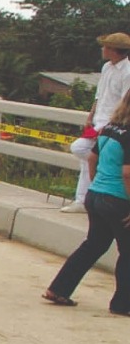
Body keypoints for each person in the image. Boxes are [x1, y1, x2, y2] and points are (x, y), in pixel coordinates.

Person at [44, 91, 130, 313]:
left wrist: (95, 186)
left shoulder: (109, 128)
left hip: (96, 194)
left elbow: (92, 158)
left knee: (93, 245)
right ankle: (122, 304)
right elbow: (127, 173)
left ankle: (59, 288)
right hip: (119, 198)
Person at [65, 32, 130, 213]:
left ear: (113, 50)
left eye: (106, 46)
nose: (103, 49)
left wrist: (112, 126)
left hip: (111, 123)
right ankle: (82, 198)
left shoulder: (127, 72)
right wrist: (90, 116)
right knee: (86, 155)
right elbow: (99, 95)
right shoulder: (106, 67)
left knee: (81, 149)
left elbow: (125, 102)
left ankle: (84, 197)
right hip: (98, 120)